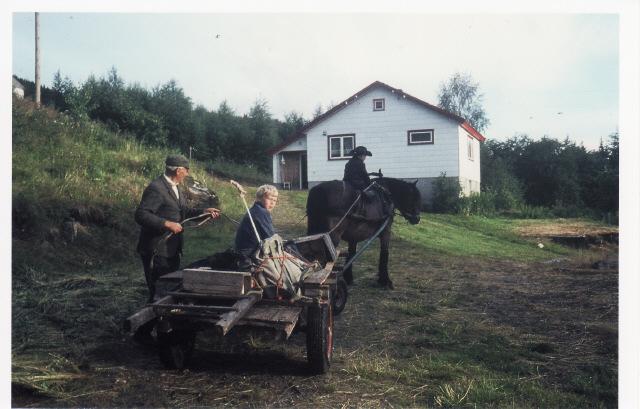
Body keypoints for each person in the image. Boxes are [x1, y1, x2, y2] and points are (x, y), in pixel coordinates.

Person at [135, 154, 220, 302]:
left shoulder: (175, 187)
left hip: (172, 249)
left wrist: (204, 212)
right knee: (158, 292)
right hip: (157, 250)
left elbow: (183, 211)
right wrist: (167, 224)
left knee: (169, 290)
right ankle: (152, 315)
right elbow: (141, 214)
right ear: (178, 170)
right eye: (186, 170)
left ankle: (165, 314)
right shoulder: (156, 188)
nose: (187, 173)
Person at [234, 184, 279, 257]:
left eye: (274, 200)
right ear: (259, 198)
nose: (272, 203)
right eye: (270, 199)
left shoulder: (255, 209)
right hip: (249, 254)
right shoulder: (261, 212)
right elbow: (270, 237)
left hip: (242, 251)